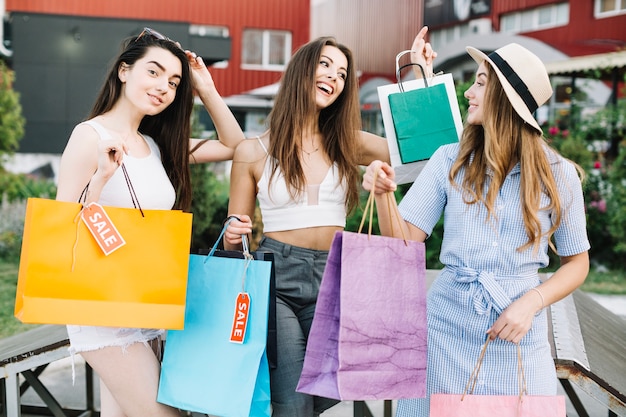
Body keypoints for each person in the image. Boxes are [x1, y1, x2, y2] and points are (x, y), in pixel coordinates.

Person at [362, 43, 590, 415]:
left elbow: (577, 264)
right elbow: (404, 244)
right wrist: (384, 193)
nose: (469, 92)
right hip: (444, 332)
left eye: (480, 83)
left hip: (518, 333)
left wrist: (532, 303)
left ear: (505, 99)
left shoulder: (558, 175)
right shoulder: (448, 160)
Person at [222, 28, 436, 416]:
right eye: (325, 65)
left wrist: (419, 77)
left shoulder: (346, 141)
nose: (334, 78)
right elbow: (231, 243)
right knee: (293, 398)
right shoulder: (251, 152)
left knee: (334, 389)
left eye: (341, 74)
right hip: (276, 279)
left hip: (335, 276)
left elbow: (422, 151)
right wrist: (235, 234)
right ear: (302, 70)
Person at [55, 27, 245, 417]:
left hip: (147, 302)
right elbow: (60, 229)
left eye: (175, 82)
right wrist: (101, 178)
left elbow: (233, 144)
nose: (164, 87)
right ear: (124, 71)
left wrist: (205, 88)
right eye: (154, 72)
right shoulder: (88, 135)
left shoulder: (156, 145)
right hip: (102, 307)